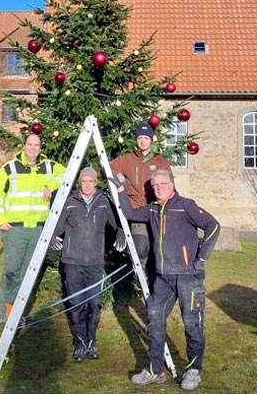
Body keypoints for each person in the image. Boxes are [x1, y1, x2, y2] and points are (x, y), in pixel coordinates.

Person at [112, 169, 220, 391]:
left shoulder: (186, 205)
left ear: (172, 184)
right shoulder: (152, 209)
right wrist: (121, 190)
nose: (159, 188)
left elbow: (213, 225)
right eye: (155, 185)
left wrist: (201, 256)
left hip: (188, 276)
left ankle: (193, 370)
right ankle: (155, 370)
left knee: (192, 325)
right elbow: (130, 214)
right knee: (154, 320)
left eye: (163, 184)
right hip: (163, 278)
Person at [0, 133, 65, 323]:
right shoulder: (10, 168)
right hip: (15, 229)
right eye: (29, 144)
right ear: (24, 146)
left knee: (27, 274)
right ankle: (5, 311)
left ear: (41, 148)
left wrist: (51, 184)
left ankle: (18, 313)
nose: (33, 148)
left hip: (38, 230)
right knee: (12, 271)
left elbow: (65, 172)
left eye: (36, 145)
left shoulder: (48, 167)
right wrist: (0, 219)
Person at [50, 166, 123, 362]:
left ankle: (92, 342)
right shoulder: (70, 203)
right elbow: (56, 227)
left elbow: (117, 223)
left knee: (94, 304)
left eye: (90, 181)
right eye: (84, 181)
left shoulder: (103, 202)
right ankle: (80, 344)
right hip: (72, 262)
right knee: (76, 304)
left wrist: (121, 233)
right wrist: (52, 237)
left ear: (95, 183)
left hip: (94, 263)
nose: (87, 184)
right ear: (79, 183)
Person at [109, 123, 172, 271]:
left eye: (145, 138)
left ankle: (155, 276)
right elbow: (109, 168)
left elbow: (170, 184)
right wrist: (121, 179)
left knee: (159, 247)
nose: (142, 141)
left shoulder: (160, 161)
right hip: (136, 211)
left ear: (151, 140)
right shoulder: (128, 159)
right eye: (139, 138)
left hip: (156, 210)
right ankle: (141, 272)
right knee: (141, 247)